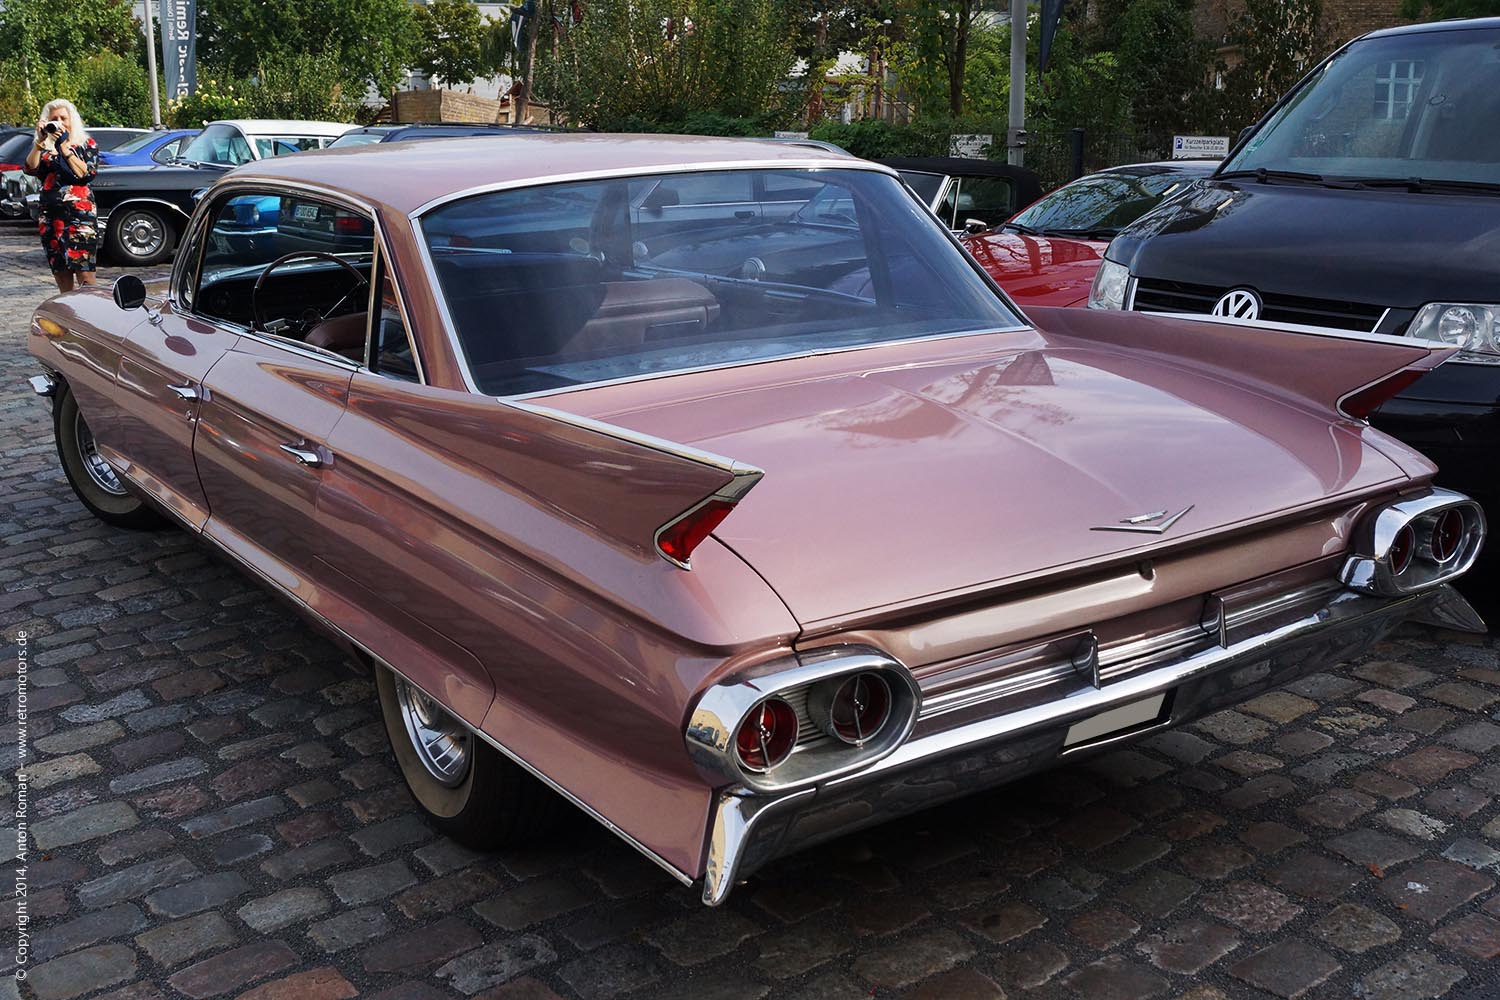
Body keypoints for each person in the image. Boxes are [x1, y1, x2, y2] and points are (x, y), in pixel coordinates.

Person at [24, 99, 101, 293]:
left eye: (62, 118)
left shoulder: (85, 144)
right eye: (54, 119)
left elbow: (86, 173)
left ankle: (91, 317)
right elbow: (30, 168)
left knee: (84, 274)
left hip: (79, 217)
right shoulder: (44, 148)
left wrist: (64, 147)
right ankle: (68, 317)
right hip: (50, 216)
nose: (58, 122)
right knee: (60, 271)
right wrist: (39, 143)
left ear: (71, 120)